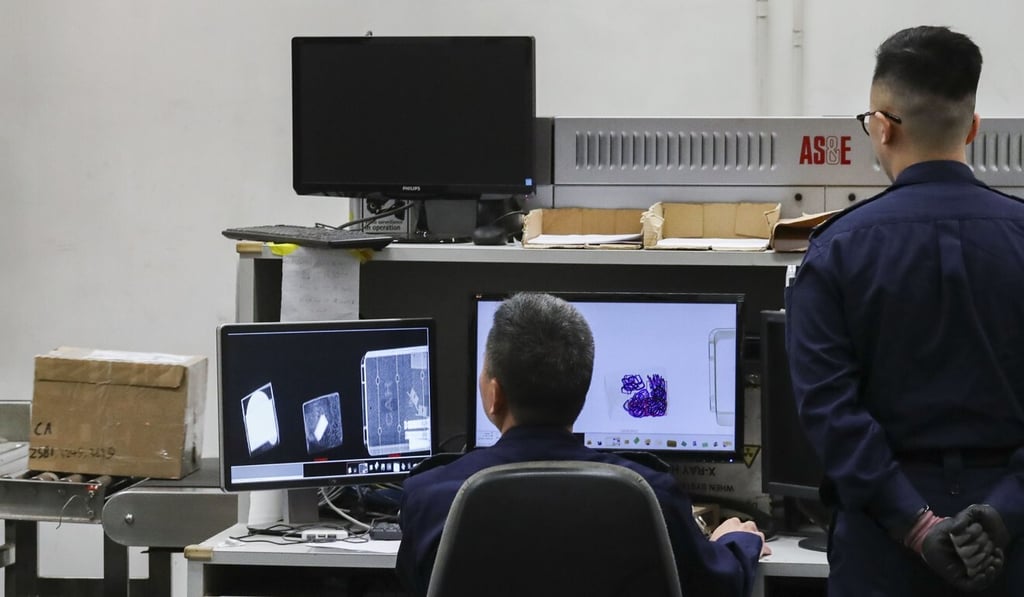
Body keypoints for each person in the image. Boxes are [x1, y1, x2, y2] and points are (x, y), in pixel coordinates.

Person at [786, 25, 1024, 596]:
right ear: (972, 128)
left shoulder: (834, 251)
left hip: (883, 551)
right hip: (1013, 549)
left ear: (882, 127)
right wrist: (1000, 515)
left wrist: (918, 528)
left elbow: (830, 413)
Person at [396, 292, 768, 597]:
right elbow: (718, 587)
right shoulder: (647, 495)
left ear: (493, 395)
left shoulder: (431, 496)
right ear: (583, 393)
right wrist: (736, 542)